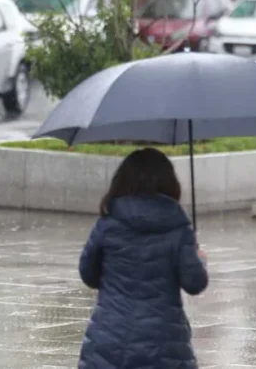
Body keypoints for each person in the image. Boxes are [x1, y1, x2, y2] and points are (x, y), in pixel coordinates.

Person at [78, 148, 209, 369]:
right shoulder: (178, 227)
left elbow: (88, 275)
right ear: (169, 183)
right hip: (164, 343)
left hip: (109, 339)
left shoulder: (108, 224)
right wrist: (199, 259)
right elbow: (194, 283)